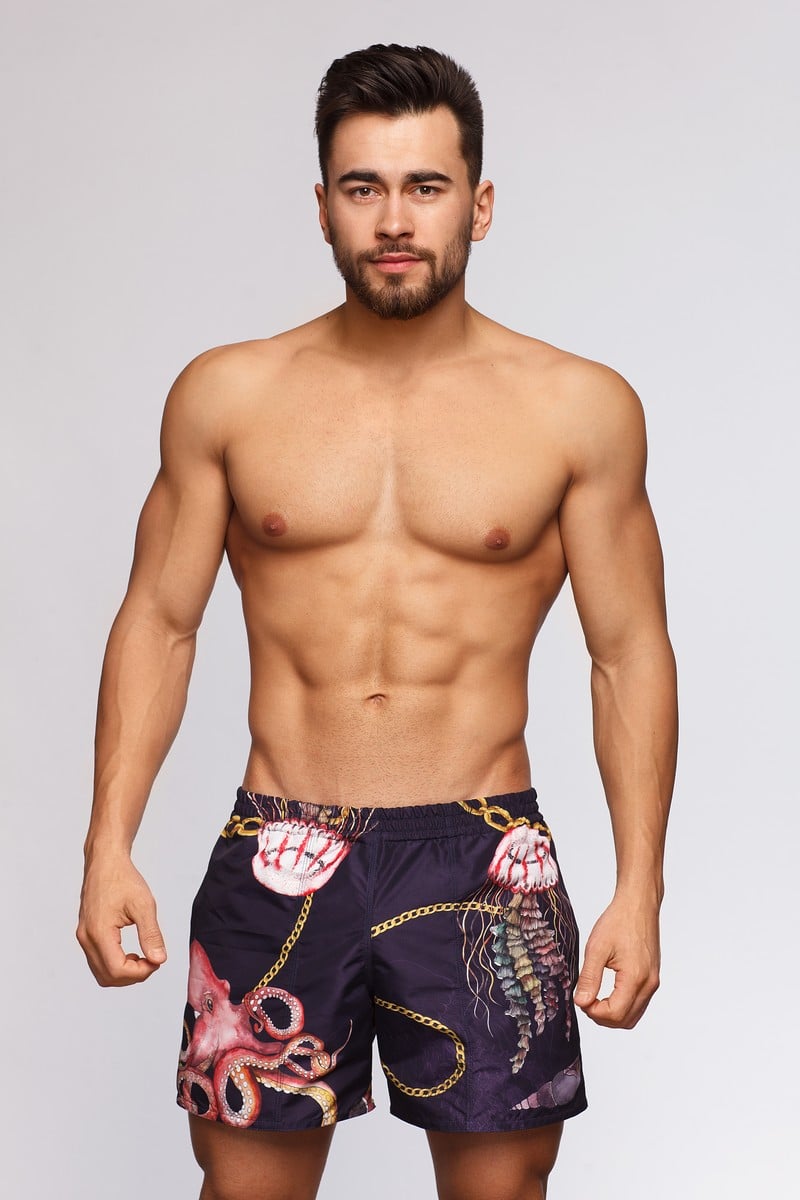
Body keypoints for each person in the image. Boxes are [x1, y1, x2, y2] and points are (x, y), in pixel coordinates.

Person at [77, 43, 677, 1200]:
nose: (394, 220)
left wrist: (639, 889)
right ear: (322, 207)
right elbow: (159, 620)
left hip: (484, 857)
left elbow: (625, 653)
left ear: (478, 204)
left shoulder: (577, 409)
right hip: (276, 845)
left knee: (500, 1192)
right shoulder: (229, 395)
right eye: (363, 187)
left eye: (424, 186)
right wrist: (107, 847)